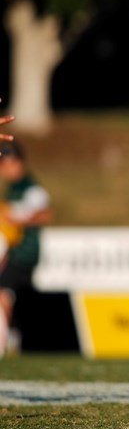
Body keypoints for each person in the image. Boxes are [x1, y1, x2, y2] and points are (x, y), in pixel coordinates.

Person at [0, 140, 51, 356]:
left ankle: (5, 341)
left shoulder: (30, 188)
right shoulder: (12, 189)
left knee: (3, 294)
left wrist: (19, 219)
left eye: (7, 163)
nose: (4, 169)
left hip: (24, 254)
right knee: (17, 298)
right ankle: (17, 339)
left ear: (18, 162)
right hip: (14, 252)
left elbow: (45, 213)